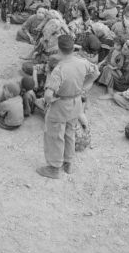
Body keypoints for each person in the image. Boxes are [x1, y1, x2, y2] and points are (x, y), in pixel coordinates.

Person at [36, 34, 99, 179]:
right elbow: (96, 72)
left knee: (55, 135)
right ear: (73, 48)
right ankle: (68, 163)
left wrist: (50, 100)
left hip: (61, 105)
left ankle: (54, 168)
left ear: (59, 48)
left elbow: (48, 95)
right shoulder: (82, 62)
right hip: (76, 103)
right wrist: (84, 85)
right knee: (69, 133)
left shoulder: (60, 69)